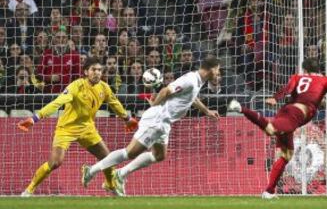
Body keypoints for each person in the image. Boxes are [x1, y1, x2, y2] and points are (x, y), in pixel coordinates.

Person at [81, 56, 221, 196]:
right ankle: (91, 170)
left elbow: (191, 97)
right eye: (218, 70)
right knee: (129, 153)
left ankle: (120, 174)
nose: (218, 73)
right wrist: (154, 108)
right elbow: (166, 91)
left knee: (159, 155)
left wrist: (206, 111)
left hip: (165, 123)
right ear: (212, 69)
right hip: (157, 119)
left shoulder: (197, 81)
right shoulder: (190, 79)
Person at [17, 57, 138, 197]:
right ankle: (28, 190)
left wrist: (127, 118)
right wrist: (35, 118)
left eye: (99, 70)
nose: (97, 73)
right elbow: (57, 102)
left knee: (107, 158)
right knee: (55, 162)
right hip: (67, 128)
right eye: (94, 70)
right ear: (86, 72)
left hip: (87, 129)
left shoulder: (104, 87)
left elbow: (114, 103)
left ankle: (111, 186)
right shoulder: (76, 86)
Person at [228, 58, 327, 199]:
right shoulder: (326, 81)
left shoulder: (297, 77)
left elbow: (287, 89)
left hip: (287, 110)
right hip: (295, 116)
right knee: (270, 129)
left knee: (286, 155)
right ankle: (241, 108)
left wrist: (276, 98)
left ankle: (269, 191)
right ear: (318, 69)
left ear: (305, 70)